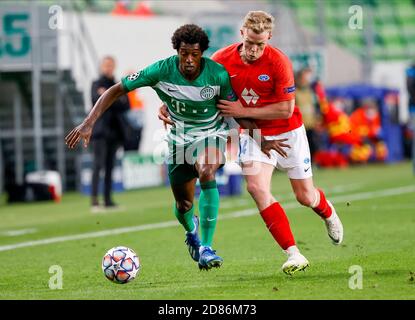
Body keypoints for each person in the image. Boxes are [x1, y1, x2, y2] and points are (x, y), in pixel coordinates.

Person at [66, 24, 287, 270]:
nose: (189, 60)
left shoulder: (217, 75)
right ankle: (191, 231)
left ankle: (206, 247)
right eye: (184, 53)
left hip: (211, 135)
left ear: (202, 52)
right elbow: (115, 90)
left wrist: (261, 139)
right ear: (177, 51)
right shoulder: (161, 70)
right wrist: (88, 123)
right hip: (178, 141)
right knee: (183, 205)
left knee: (207, 170)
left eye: (194, 54)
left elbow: (234, 112)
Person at [160, 11, 344, 275]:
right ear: (242, 34)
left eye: (260, 44)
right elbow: (196, 84)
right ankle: (294, 254)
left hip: (288, 133)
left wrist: (240, 110)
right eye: (249, 43)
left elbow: (284, 109)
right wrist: (167, 105)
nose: (254, 50)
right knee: (257, 188)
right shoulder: (222, 59)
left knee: (305, 196)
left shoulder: (279, 62)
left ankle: (327, 212)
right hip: (253, 135)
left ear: (269, 37)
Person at [90, 56, 130, 212]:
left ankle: (107, 200)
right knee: (97, 165)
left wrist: (107, 96)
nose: (108, 68)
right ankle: (94, 201)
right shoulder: (96, 83)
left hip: (115, 132)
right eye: (106, 65)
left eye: (111, 65)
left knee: (110, 167)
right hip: (100, 132)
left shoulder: (117, 84)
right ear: (101, 67)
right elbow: (96, 101)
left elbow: (126, 104)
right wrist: (113, 98)